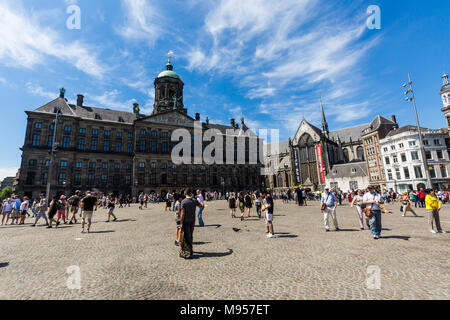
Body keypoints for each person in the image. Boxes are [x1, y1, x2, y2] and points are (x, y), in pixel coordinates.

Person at [179, 188, 204, 259]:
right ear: (191, 193)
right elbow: (201, 206)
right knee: (190, 235)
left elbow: (182, 213)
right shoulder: (194, 200)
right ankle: (190, 250)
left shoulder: (183, 201)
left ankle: (189, 251)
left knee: (187, 236)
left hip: (185, 221)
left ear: (185, 194)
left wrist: (181, 222)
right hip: (192, 220)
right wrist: (201, 201)